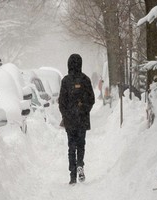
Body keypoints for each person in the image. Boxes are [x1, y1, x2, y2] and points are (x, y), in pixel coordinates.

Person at [58, 54, 95, 185]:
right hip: (82, 119)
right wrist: (84, 110)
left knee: (71, 146)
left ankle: (72, 175)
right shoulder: (86, 80)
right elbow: (91, 99)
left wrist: (66, 115)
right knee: (81, 144)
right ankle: (80, 163)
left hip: (70, 120)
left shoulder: (66, 81)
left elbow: (61, 102)